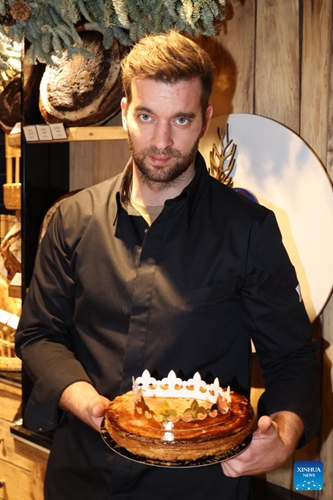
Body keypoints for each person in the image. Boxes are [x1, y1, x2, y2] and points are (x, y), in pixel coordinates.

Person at [16, 31, 321, 500]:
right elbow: (39, 335)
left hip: (200, 485)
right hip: (82, 477)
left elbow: (294, 357)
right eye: (146, 116)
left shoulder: (249, 230)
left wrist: (282, 437)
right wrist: (85, 400)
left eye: (180, 119)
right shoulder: (71, 219)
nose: (161, 141)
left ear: (204, 120)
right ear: (123, 113)